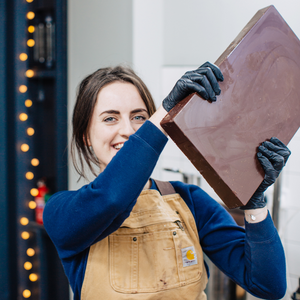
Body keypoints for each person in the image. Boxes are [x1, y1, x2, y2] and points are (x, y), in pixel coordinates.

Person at [43, 62, 290, 300]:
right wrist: (166, 112)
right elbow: (113, 198)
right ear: (85, 135)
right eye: (110, 118)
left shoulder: (190, 201)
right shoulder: (62, 212)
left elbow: (268, 285)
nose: (128, 130)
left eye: (139, 117)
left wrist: (255, 202)